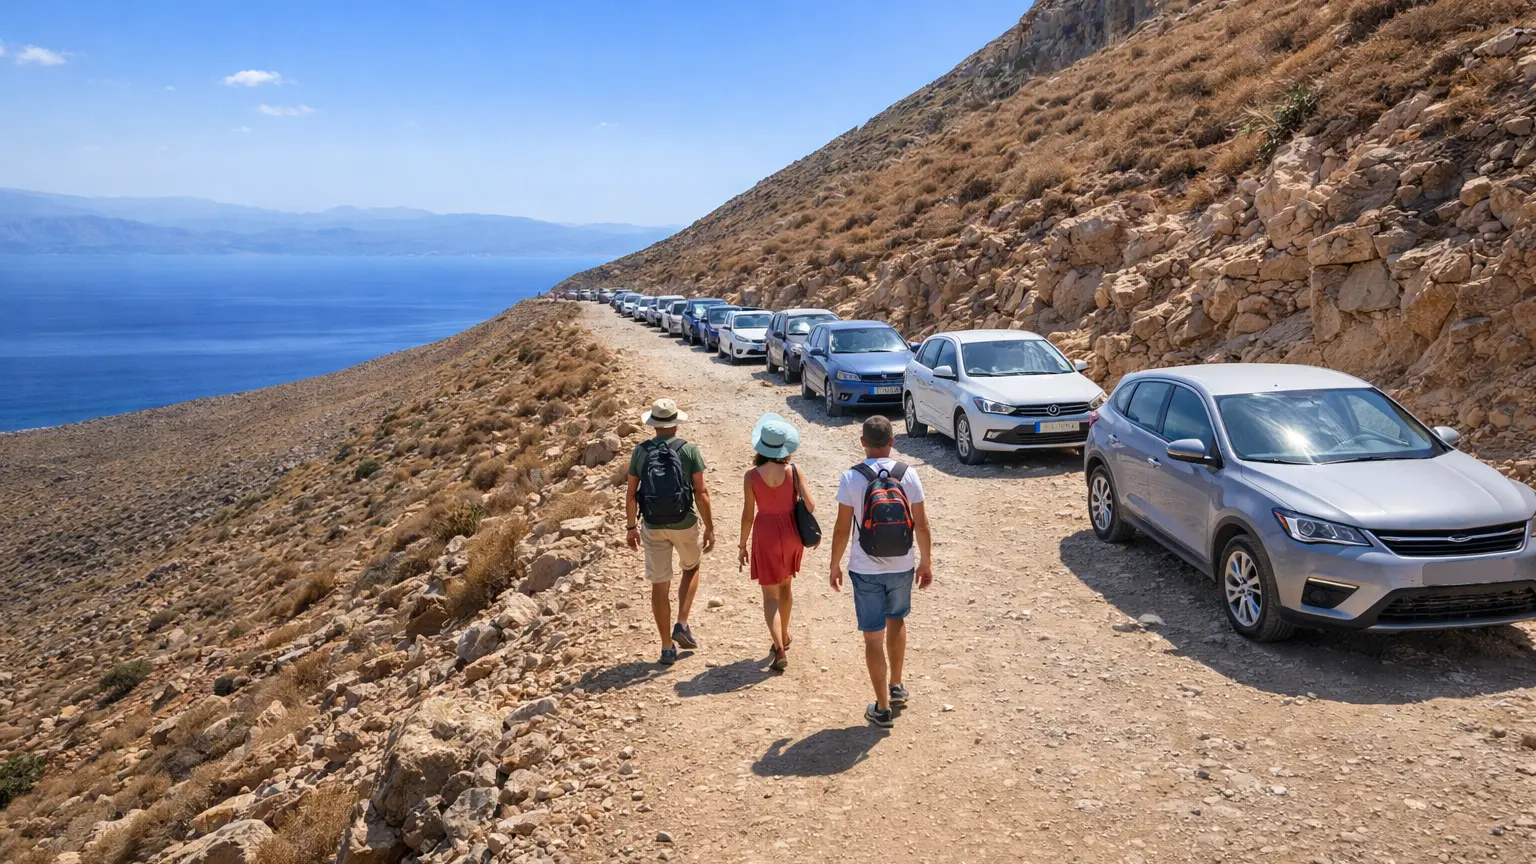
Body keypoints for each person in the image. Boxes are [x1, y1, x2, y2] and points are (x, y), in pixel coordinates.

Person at [828, 415, 932, 728]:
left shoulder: (852, 477)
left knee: (873, 638)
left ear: (863, 442)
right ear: (892, 441)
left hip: (865, 568)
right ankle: (896, 686)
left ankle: (882, 708)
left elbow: (842, 528)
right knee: (896, 619)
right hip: (902, 564)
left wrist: (834, 564)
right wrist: (926, 561)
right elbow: (922, 524)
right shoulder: (908, 474)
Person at [625, 398, 715, 665]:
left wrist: (631, 527)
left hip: (652, 525)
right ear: (676, 422)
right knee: (692, 567)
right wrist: (709, 528)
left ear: (653, 424)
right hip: (684, 521)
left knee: (659, 584)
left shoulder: (641, 452)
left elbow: (631, 494)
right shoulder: (689, 450)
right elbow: (701, 492)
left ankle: (666, 647)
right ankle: (682, 623)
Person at [737, 413, 814, 672]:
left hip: (765, 534)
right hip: (791, 533)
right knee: (786, 587)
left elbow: (748, 515)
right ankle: (785, 634)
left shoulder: (751, 476)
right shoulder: (794, 471)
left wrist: (742, 545)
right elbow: (811, 505)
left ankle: (779, 646)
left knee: (769, 596)